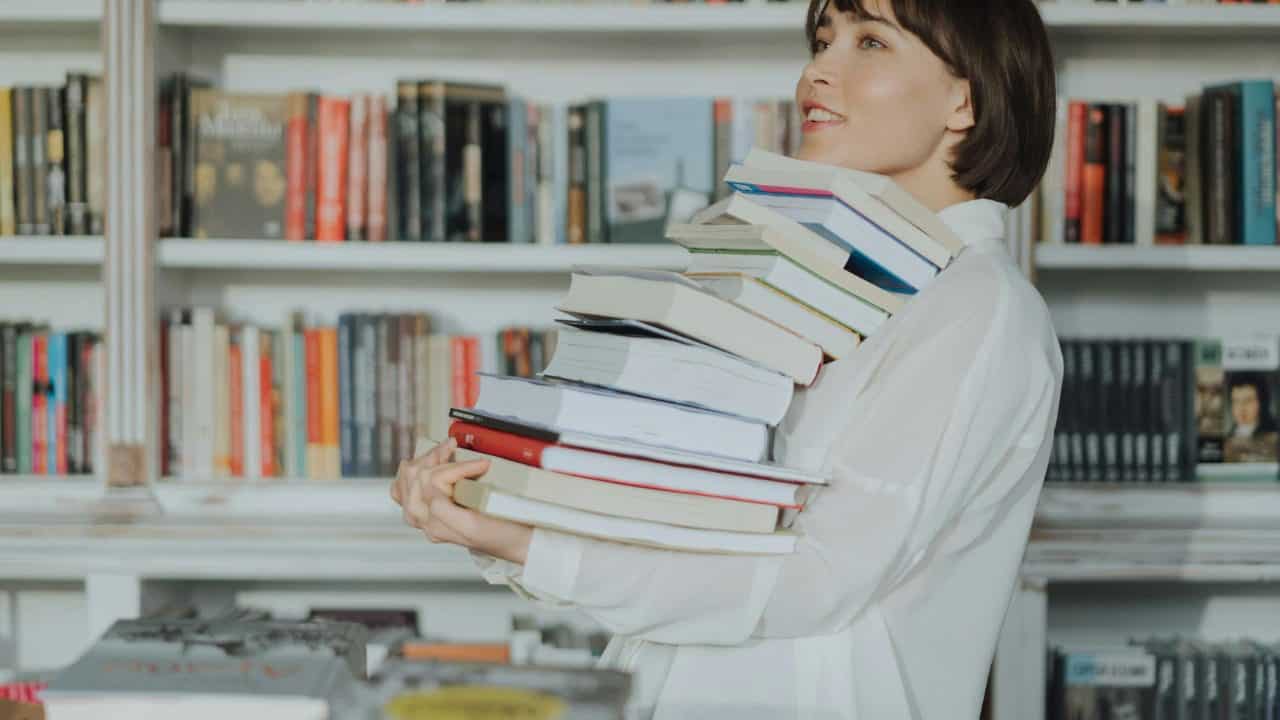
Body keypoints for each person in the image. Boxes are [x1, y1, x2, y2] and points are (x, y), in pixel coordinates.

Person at [391, 0, 1062, 716]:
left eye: (869, 42)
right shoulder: (832, 283)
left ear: (965, 100)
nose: (818, 70)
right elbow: (689, 529)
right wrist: (491, 506)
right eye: (822, 39)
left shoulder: (978, 307)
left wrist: (532, 546)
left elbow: (817, 578)